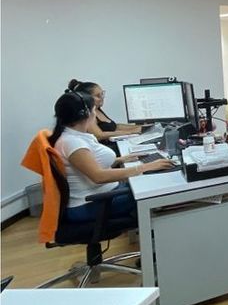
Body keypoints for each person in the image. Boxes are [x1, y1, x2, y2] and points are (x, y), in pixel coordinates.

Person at [48, 90, 173, 222]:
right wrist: (145, 167)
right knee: (158, 191)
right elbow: (99, 176)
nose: (95, 114)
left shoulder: (76, 136)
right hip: (92, 204)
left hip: (103, 195)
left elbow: (91, 163)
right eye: (94, 110)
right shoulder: (72, 143)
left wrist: (121, 159)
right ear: (86, 114)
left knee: (149, 184)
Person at [67, 79, 142, 142]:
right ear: (87, 98)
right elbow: (99, 135)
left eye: (102, 94)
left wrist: (140, 127)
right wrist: (130, 132)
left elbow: (114, 127)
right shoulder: (88, 114)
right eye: (98, 96)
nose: (102, 97)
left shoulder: (97, 109)